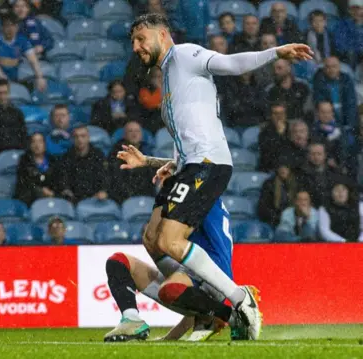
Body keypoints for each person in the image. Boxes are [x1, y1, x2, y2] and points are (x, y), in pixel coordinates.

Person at [120, 13, 311, 340]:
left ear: (162, 34)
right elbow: (190, 132)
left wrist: (275, 52)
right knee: (152, 238)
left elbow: (232, 64)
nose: (136, 47)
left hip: (208, 163)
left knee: (169, 240)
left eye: (141, 39)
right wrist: (155, 161)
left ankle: (238, 299)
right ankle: (204, 306)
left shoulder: (185, 55)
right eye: (133, 42)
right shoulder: (169, 81)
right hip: (190, 164)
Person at [104, 198, 248, 342]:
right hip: (192, 269)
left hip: (212, 272)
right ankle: (131, 319)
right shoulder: (198, 193)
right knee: (119, 262)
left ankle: (229, 316)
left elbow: (170, 238)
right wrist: (170, 338)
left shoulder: (200, 194)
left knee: (170, 283)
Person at [0, 12, 46, 92]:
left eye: (13, 25)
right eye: (7, 25)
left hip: (15, 76)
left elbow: (33, 60)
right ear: (1, 27)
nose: (10, 29)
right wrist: (6, 82)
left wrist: (40, 77)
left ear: (17, 27)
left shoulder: (22, 40)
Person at [57, 125, 109, 204]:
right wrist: (66, 191)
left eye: (83, 136)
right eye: (76, 136)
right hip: (73, 200)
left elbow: (105, 177)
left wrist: (103, 191)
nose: (79, 139)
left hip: (96, 199)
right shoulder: (66, 157)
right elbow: (63, 180)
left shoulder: (98, 155)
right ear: (72, 139)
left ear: (88, 137)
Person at [108, 121, 155, 204]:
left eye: (137, 131)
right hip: (123, 197)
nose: (134, 134)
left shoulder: (148, 152)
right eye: (130, 131)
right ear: (124, 135)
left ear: (141, 135)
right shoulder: (116, 153)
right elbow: (116, 179)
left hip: (146, 196)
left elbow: (151, 177)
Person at [15, 132, 60, 206]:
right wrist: (41, 190)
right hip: (29, 198)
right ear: (30, 145)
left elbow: (57, 181)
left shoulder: (53, 161)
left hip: (50, 196)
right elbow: (24, 183)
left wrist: (52, 192)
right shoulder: (24, 161)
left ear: (45, 145)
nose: (37, 145)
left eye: (40, 141)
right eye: (34, 142)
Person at [257, 157, 298, 228]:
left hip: (294, 220)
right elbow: (263, 207)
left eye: (286, 167)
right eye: (280, 167)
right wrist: (279, 218)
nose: (283, 169)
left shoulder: (296, 183)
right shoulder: (269, 184)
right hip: (274, 221)